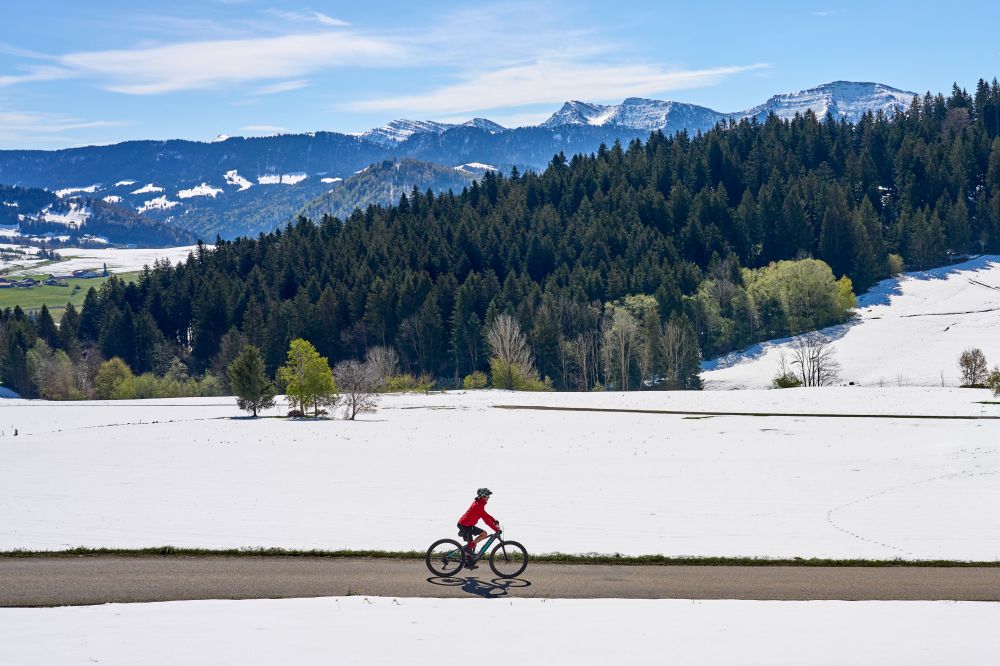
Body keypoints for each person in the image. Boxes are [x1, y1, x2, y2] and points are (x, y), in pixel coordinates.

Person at [457, 487, 499, 569]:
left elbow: (485, 514)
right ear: (483, 496)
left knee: (483, 534)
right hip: (465, 525)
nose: (488, 498)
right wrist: (496, 529)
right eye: (487, 496)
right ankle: (468, 562)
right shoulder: (478, 506)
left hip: (468, 525)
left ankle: (469, 560)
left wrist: (494, 520)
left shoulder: (479, 503)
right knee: (470, 545)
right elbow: (486, 521)